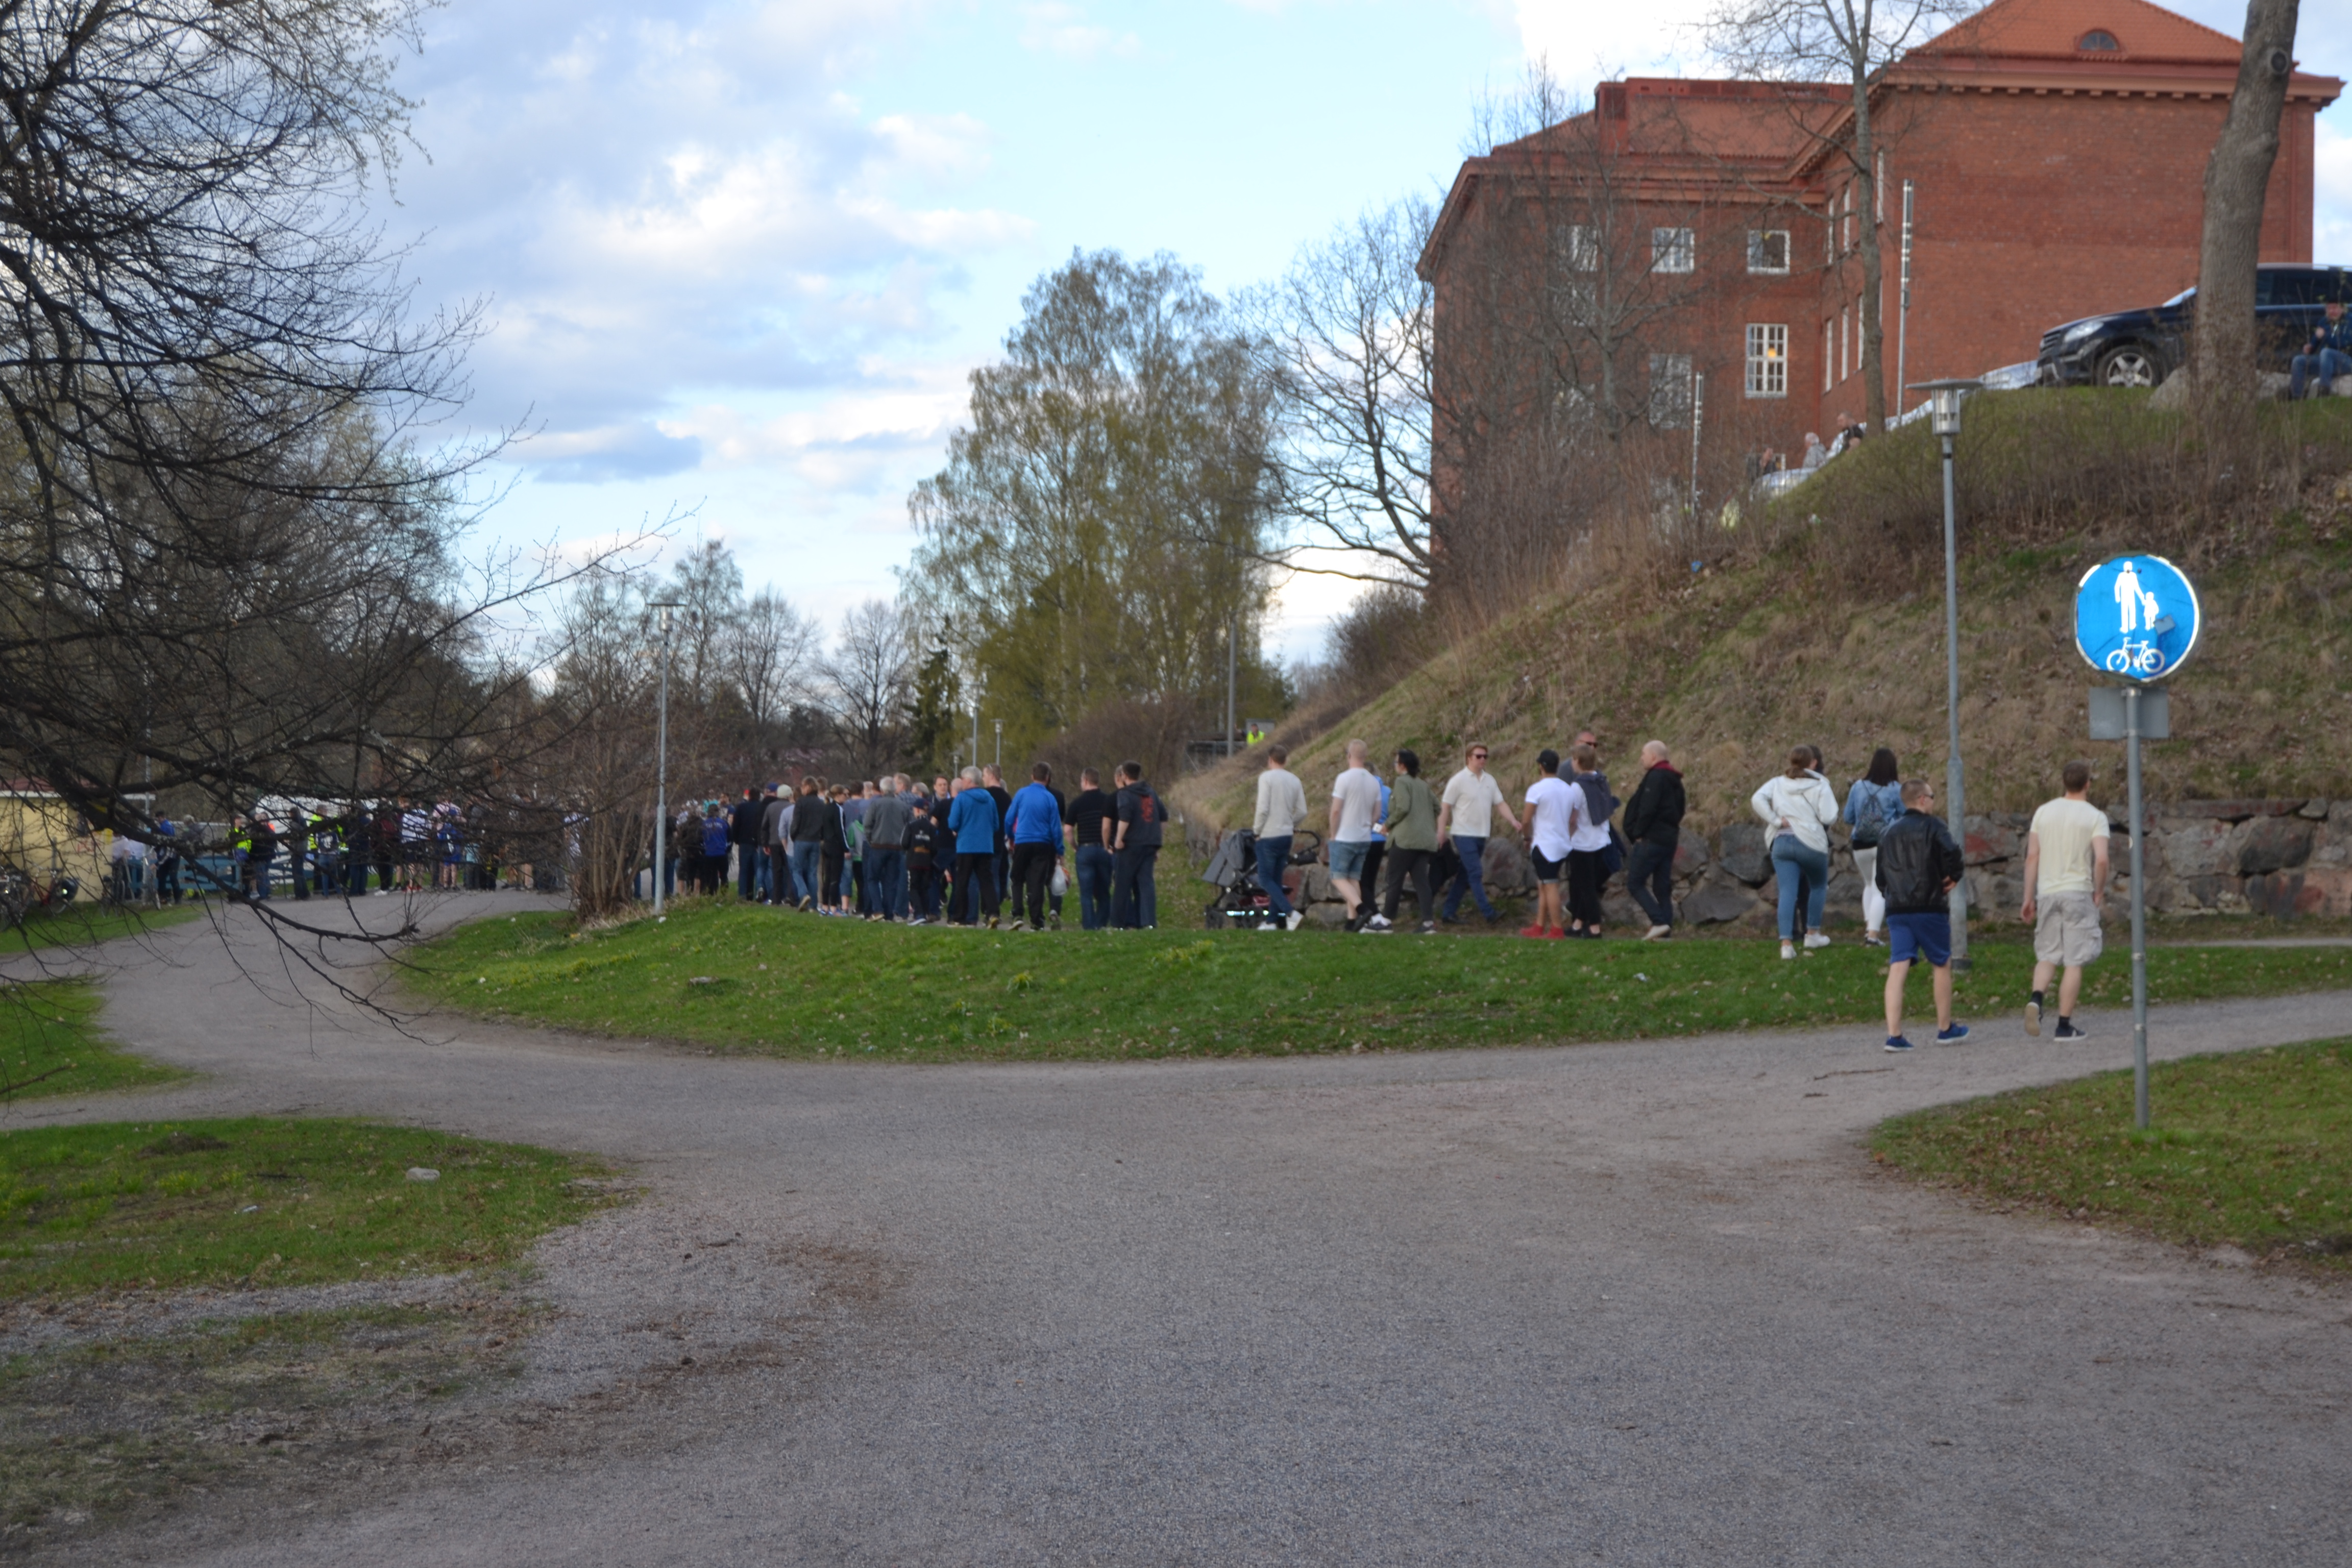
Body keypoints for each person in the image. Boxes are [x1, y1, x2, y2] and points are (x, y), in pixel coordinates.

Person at [1876, 778, 1969, 1051]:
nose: (1933, 800)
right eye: (1932, 795)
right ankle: (1944, 1028)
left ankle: (1894, 1035)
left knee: (1898, 966)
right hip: (1929, 906)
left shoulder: (1888, 832)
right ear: (1922, 799)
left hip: (1897, 909)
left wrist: (1891, 894)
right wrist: (1954, 876)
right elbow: (1953, 853)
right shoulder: (1934, 826)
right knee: (1941, 962)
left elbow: (1881, 876)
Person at [2021, 760, 2110, 1040]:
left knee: (2048, 953)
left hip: (2048, 892)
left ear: (2064, 782)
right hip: (2078, 892)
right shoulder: (2095, 816)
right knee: (2074, 960)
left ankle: (2036, 998)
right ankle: (2064, 1025)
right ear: (2088, 784)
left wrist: (2028, 896)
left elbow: (2032, 856)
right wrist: (2099, 889)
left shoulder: (2043, 812)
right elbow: (2103, 859)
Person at [1752, 747, 1840, 960]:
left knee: (1787, 891)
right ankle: (1812, 933)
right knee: (1818, 885)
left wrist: (1775, 820)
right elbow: (1829, 817)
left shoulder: (1777, 782)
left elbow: (1757, 799)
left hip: (1782, 841)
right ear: (1813, 764)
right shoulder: (1820, 784)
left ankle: (1786, 944)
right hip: (1810, 843)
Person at [1437, 742, 1518, 926]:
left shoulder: (1490, 780)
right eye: (1478, 756)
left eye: (1485, 756)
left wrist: (1513, 821)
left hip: (1482, 835)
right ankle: (1488, 913)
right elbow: (1445, 807)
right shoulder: (1458, 780)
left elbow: (1500, 803)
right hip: (1463, 834)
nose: (1483, 760)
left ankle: (1448, 912)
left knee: (1465, 875)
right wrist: (1441, 831)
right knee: (1475, 872)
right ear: (1469, 758)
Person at [1621, 741, 1685, 940]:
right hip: (1669, 839)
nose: (1641, 758)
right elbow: (1681, 809)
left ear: (1654, 757)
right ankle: (1665, 934)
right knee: (1661, 887)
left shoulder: (1656, 777)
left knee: (1635, 883)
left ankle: (1659, 922)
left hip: (1652, 840)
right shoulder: (1675, 780)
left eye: (1643, 754)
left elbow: (1647, 808)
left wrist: (1638, 832)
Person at [1373, 749, 1440, 935]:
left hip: (1404, 841)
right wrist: (1424, 823)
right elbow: (1437, 807)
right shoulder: (1423, 785)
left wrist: (1388, 824)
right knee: (1421, 882)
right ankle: (1428, 923)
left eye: (1396, 763)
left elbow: (1402, 807)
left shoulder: (1401, 782)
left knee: (1394, 880)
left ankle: (1386, 921)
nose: (1395, 766)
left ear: (1402, 765)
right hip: (1424, 841)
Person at [1843, 748, 1904, 947]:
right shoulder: (1896, 788)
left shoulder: (1858, 787)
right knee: (1881, 889)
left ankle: (1869, 929)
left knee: (1869, 885)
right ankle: (1873, 936)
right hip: (1884, 842)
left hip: (1860, 843)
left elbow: (1848, 818)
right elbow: (1905, 814)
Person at [1327, 740, 1382, 932]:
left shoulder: (1344, 778)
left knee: (1337, 878)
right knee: (1353, 879)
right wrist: (1366, 824)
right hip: (1364, 837)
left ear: (1349, 755)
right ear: (1365, 756)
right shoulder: (1374, 781)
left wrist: (1333, 834)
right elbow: (1377, 813)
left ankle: (1362, 909)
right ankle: (1352, 922)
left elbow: (1336, 811)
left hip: (1345, 836)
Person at [1520, 749, 1575, 940]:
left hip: (1544, 844)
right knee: (1543, 884)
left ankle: (1557, 929)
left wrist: (1527, 837)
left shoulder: (1537, 789)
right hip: (1563, 843)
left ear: (1541, 767)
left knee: (1550, 885)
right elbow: (1573, 819)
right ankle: (1539, 924)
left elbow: (1526, 820)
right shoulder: (1568, 789)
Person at [1253, 746, 1309, 933]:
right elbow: (1302, 811)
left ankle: (1291, 913)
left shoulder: (1266, 778)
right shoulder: (1294, 780)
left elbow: (1262, 809)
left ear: (1270, 760)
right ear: (1286, 760)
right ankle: (1272, 921)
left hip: (1268, 834)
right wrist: (1290, 824)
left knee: (1265, 879)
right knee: (1276, 879)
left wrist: (1256, 830)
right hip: (1286, 835)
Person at [1004, 763, 1065, 931]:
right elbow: (1056, 827)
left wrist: (1011, 836)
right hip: (1043, 844)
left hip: (1022, 841)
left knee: (1017, 877)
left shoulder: (1021, 794)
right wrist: (1060, 850)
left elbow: (1009, 819)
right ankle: (1037, 920)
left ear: (1032, 776)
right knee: (1037, 882)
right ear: (1048, 778)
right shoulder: (1050, 798)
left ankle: (1017, 913)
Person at [1562, 743, 1612, 938]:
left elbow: (1573, 818)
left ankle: (1595, 928)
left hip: (1582, 842)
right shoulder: (1601, 780)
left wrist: (1566, 836)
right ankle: (1577, 924)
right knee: (1589, 885)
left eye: (1573, 759)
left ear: (1578, 761)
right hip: (1601, 839)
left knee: (1587, 888)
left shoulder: (1577, 786)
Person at [1110, 762, 1163, 929]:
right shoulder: (1151, 793)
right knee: (1146, 883)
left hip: (1131, 844)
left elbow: (1125, 817)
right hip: (1150, 843)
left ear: (1124, 776)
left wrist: (1119, 839)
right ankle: (1148, 922)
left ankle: (1119, 922)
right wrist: (1155, 836)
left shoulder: (1125, 794)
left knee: (1122, 883)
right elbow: (1164, 817)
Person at [946, 767, 1000, 927]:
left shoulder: (962, 798)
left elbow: (953, 823)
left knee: (962, 881)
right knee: (987, 881)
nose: (961, 782)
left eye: (963, 779)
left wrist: (958, 830)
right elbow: (996, 824)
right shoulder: (989, 799)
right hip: (986, 846)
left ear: (969, 780)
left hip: (966, 846)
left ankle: (960, 917)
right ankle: (992, 913)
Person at [1067, 768, 1116, 930]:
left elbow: (1067, 830)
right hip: (1103, 850)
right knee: (1104, 892)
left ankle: (1089, 926)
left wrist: (1075, 847)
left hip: (1085, 850)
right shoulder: (1109, 800)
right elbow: (1113, 825)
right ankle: (1100, 924)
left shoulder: (1077, 803)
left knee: (1086, 893)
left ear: (1085, 781)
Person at [865, 776, 912, 921]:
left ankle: (878, 909)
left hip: (878, 846)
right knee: (891, 882)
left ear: (882, 789)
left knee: (872, 878)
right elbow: (910, 826)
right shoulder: (903, 806)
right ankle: (889, 913)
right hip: (897, 848)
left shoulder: (876, 805)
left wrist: (871, 840)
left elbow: (867, 825)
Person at [2290, 298, 2351, 399]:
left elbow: (2344, 343)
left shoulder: (2349, 322)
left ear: (2342, 309)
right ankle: (2296, 397)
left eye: (2335, 308)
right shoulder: (2323, 322)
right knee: (2299, 361)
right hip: (2326, 363)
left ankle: (2324, 390)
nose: (2332, 311)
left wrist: (2325, 336)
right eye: (2329, 309)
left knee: (2326, 353)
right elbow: (2315, 343)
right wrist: (2310, 347)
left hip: (2346, 361)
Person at [982, 765, 1014, 925]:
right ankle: (994, 907)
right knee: (999, 876)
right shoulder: (1007, 798)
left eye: (984, 775)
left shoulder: (985, 795)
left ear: (991, 775)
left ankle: (991, 911)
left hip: (986, 841)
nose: (983, 778)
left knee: (988, 877)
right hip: (1001, 841)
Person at [788, 778, 825, 912]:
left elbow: (796, 823)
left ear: (808, 787)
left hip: (802, 840)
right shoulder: (821, 804)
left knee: (797, 870)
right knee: (812, 873)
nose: (801, 789)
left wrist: (793, 836)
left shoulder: (801, 802)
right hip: (815, 841)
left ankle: (804, 894)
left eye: (803, 786)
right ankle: (814, 905)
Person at [905, 791, 941, 924]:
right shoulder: (932, 828)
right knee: (924, 888)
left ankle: (918, 913)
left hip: (913, 861)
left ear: (918, 810)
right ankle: (925, 913)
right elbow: (935, 847)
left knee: (913, 888)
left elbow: (904, 842)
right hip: (927, 862)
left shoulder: (911, 825)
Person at [731, 787, 766, 901]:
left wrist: (736, 840)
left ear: (749, 796)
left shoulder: (741, 808)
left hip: (744, 843)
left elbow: (735, 826)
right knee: (758, 870)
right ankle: (757, 894)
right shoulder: (762, 808)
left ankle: (743, 894)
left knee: (744, 870)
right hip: (758, 843)